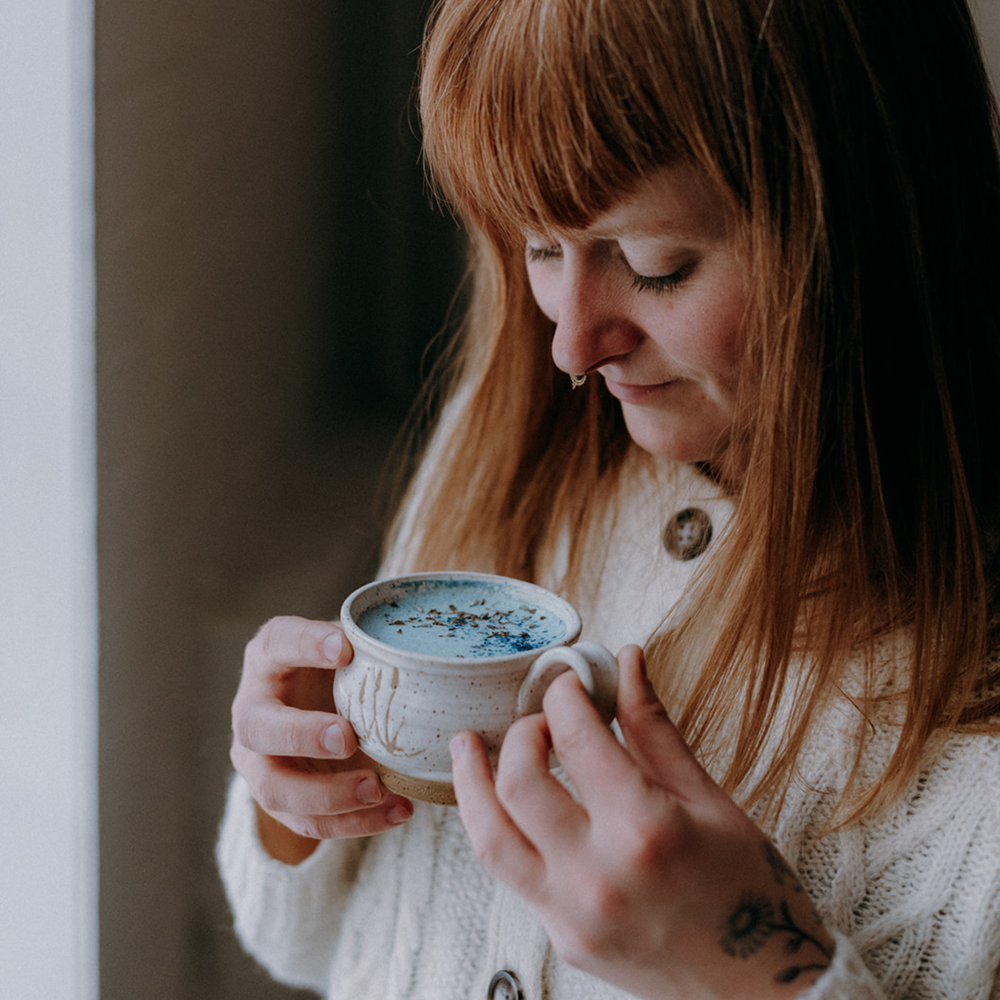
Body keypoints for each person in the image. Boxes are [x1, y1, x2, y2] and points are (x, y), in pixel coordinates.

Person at [218, 0, 1000, 997]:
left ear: (862, 224)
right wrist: (294, 804)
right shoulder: (510, 448)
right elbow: (315, 948)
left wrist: (754, 968)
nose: (569, 346)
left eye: (651, 264)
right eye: (539, 247)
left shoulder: (966, 727)